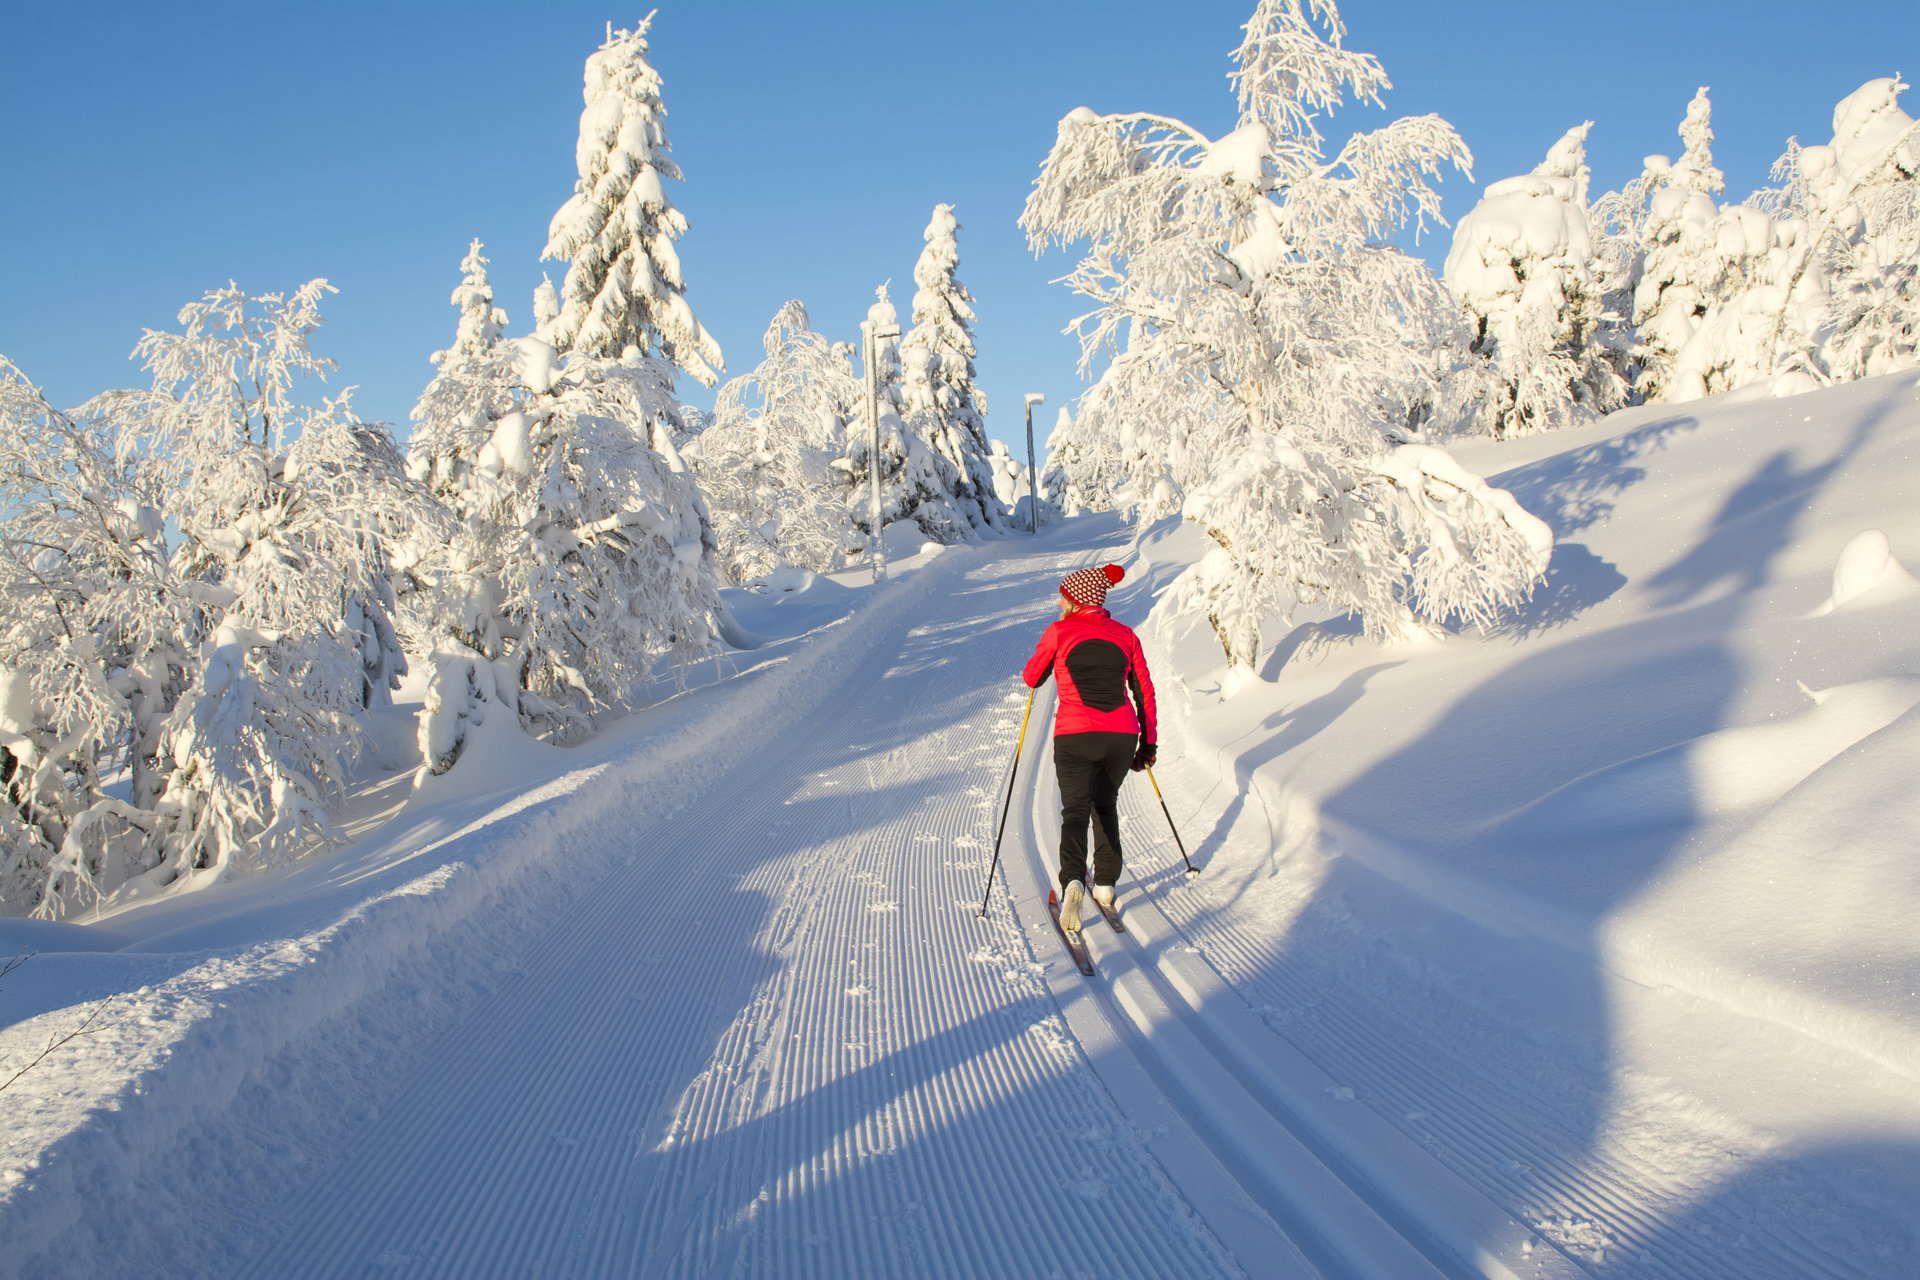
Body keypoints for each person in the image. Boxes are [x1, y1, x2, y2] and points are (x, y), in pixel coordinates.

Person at [1022, 563, 1157, 933]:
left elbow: (1032, 676)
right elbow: (1143, 692)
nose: (1059, 602)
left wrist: (1054, 652)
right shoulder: (1126, 635)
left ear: (1074, 600)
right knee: (1105, 804)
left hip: (1075, 735)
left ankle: (1073, 884)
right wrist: (1148, 743)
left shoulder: (1060, 630)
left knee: (1075, 811)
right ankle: (1107, 885)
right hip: (1121, 736)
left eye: (1063, 597)